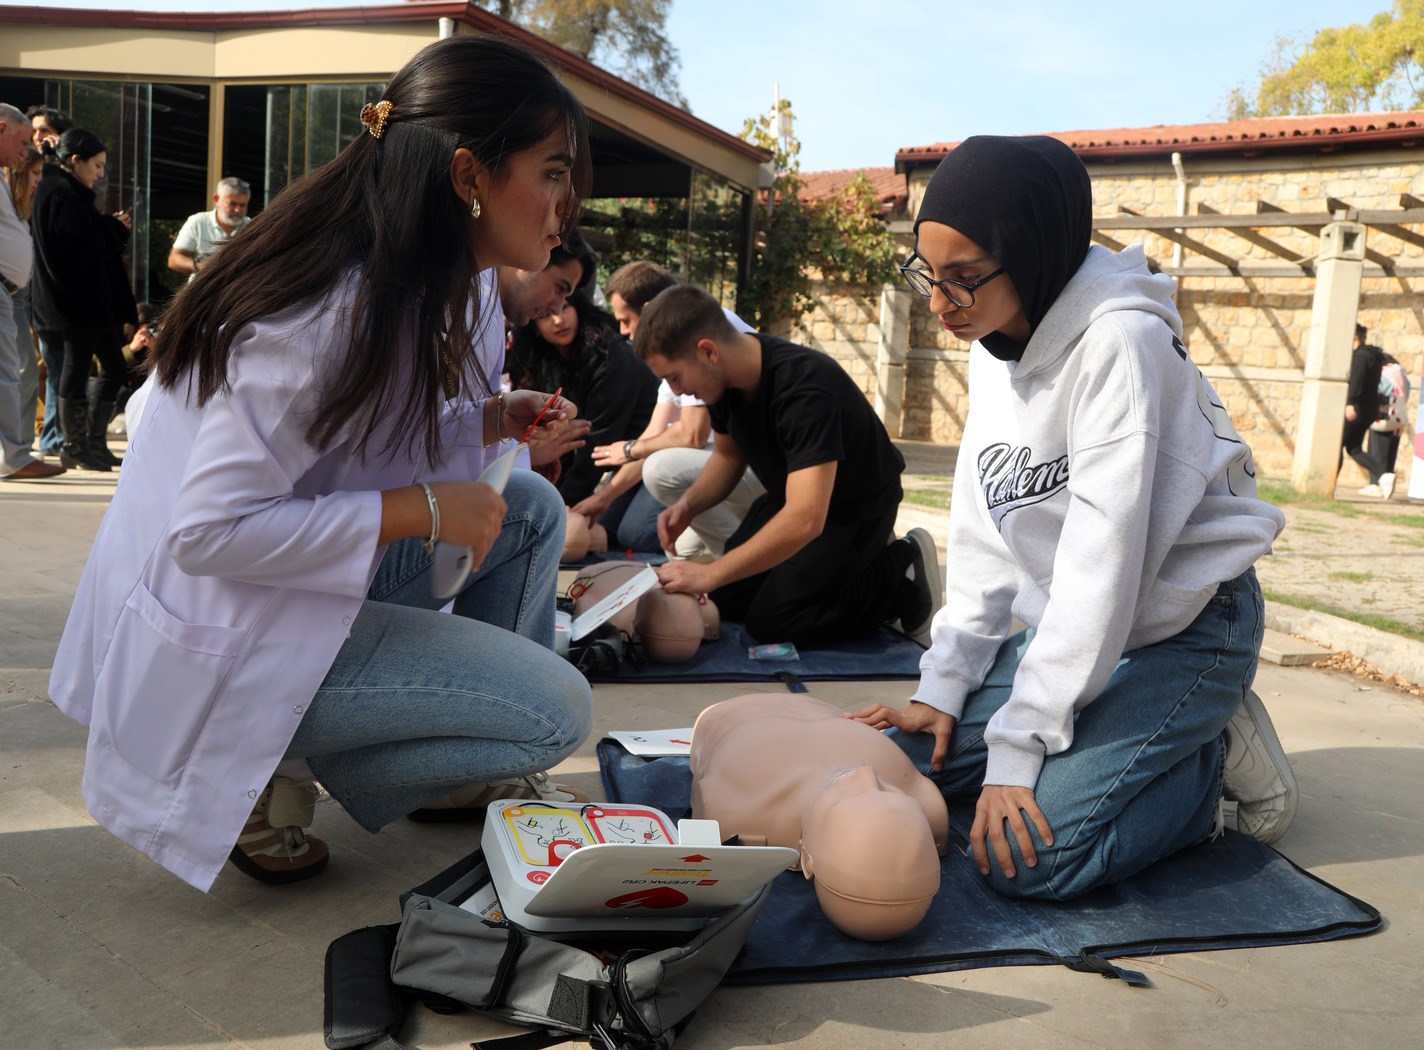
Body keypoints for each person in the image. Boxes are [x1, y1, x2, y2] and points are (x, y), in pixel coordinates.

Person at [48, 35, 596, 891]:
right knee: (553, 710)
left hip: (293, 588)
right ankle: (284, 762)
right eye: (554, 172)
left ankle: (422, 758)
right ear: (468, 179)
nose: (567, 205)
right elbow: (210, 532)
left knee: (525, 505)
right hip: (234, 623)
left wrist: (488, 415)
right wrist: (424, 510)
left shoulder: (449, 281)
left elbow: (359, 436)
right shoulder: (322, 314)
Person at [849, 136, 1293, 904]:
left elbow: (1103, 568)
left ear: (1034, 251)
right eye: (928, 273)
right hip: (1082, 620)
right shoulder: (996, 342)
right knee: (910, 757)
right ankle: (1128, 736)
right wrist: (945, 684)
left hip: (1185, 622)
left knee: (1026, 858)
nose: (938, 304)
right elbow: (988, 531)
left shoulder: (1123, 344)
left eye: (963, 281)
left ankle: (1209, 760)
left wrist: (1021, 748)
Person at [633, 284, 940, 646]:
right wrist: (688, 505)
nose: (678, 391)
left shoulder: (804, 389)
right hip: (788, 501)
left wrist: (712, 572)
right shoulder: (720, 384)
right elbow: (728, 457)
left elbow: (807, 519)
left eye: (674, 377)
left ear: (708, 352)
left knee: (775, 622)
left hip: (854, 511)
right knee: (727, 600)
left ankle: (897, 572)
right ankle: (844, 576)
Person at [691, 693, 948, 940]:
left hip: (725, 716)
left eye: (846, 798)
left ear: (808, 862)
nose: (866, 775)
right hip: (824, 710)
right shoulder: (927, 803)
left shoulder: (734, 812)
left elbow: (704, 800)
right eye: (888, 793)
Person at [586, 260, 765, 558]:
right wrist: (602, 498)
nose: (623, 331)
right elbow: (655, 435)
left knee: (660, 472)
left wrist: (630, 449)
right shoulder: (673, 341)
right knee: (680, 551)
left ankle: (751, 563)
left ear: (649, 307)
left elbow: (692, 434)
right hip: (729, 462)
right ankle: (744, 565)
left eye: (626, 320)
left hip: (760, 465)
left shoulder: (694, 332)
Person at [509, 290, 660, 550]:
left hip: (650, 456)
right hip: (614, 463)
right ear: (533, 325)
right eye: (545, 315)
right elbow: (566, 438)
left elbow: (594, 440)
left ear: (579, 308)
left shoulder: (608, 355)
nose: (558, 320)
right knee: (597, 529)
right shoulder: (551, 359)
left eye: (565, 307)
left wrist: (559, 506)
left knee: (632, 535)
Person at [29, 126, 138, 471]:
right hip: (75, 302)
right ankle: (74, 445)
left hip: (91, 303)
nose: (101, 173)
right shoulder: (59, 192)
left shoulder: (67, 191)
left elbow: (85, 238)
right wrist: (116, 229)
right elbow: (83, 247)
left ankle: (92, 442)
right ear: (76, 161)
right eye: (97, 165)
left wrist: (110, 227)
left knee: (114, 365)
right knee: (75, 370)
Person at [1, 110, 63, 480]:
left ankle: (16, 455)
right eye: (23, 142)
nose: (26, 150)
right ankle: (16, 457)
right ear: (2, 128)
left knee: (14, 372)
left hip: (9, 292)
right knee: (11, 373)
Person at [1342, 324, 1395, 499]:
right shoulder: (1374, 356)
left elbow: (1356, 381)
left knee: (1338, 445)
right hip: (1369, 409)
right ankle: (1384, 474)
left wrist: (1350, 403)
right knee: (1354, 448)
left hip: (1357, 409)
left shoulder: (1361, 356)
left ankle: (1327, 484)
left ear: (1355, 338)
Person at [167, 176, 250, 279]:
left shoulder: (251, 226)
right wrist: (200, 267)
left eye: (242, 205)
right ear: (216, 199)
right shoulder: (198, 222)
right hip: (203, 291)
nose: (237, 210)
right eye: (232, 204)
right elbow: (174, 259)